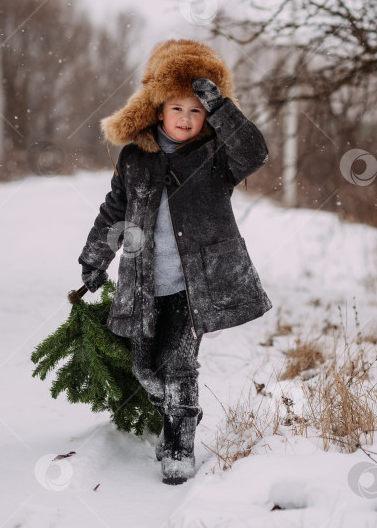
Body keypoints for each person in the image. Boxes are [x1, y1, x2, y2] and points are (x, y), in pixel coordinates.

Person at [78, 39, 272, 485]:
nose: (186, 119)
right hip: (145, 281)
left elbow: (255, 152)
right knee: (146, 368)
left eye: (196, 110)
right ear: (158, 108)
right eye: (177, 108)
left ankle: (180, 444)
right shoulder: (135, 157)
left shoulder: (217, 156)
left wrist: (221, 106)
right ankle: (178, 415)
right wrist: (94, 259)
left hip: (195, 284)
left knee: (179, 365)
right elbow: (115, 211)